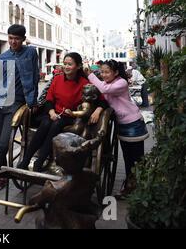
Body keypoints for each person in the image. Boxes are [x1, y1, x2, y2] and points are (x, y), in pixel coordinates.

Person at [18, 52, 107, 174]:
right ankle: (26, 160)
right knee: (45, 124)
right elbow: (49, 99)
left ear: (78, 66)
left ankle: (40, 161)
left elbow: (102, 100)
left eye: (70, 64)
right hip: (53, 112)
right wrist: (51, 112)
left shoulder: (84, 83)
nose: (66, 67)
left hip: (71, 116)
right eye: (65, 64)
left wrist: (98, 110)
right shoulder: (57, 78)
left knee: (55, 125)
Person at [0, 24, 39, 192]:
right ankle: (1, 175)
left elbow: (35, 77)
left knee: (4, 142)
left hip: (16, 102)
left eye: (16, 38)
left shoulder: (30, 53)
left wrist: (32, 101)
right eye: (10, 38)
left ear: (23, 39)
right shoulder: (2, 57)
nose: (13, 41)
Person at [85, 60, 149, 198]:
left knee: (136, 159)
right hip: (123, 124)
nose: (104, 75)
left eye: (107, 72)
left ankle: (138, 189)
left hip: (133, 123)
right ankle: (131, 186)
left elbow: (104, 90)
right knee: (128, 158)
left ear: (116, 72)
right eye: (102, 72)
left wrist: (91, 75)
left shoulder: (121, 83)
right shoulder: (108, 83)